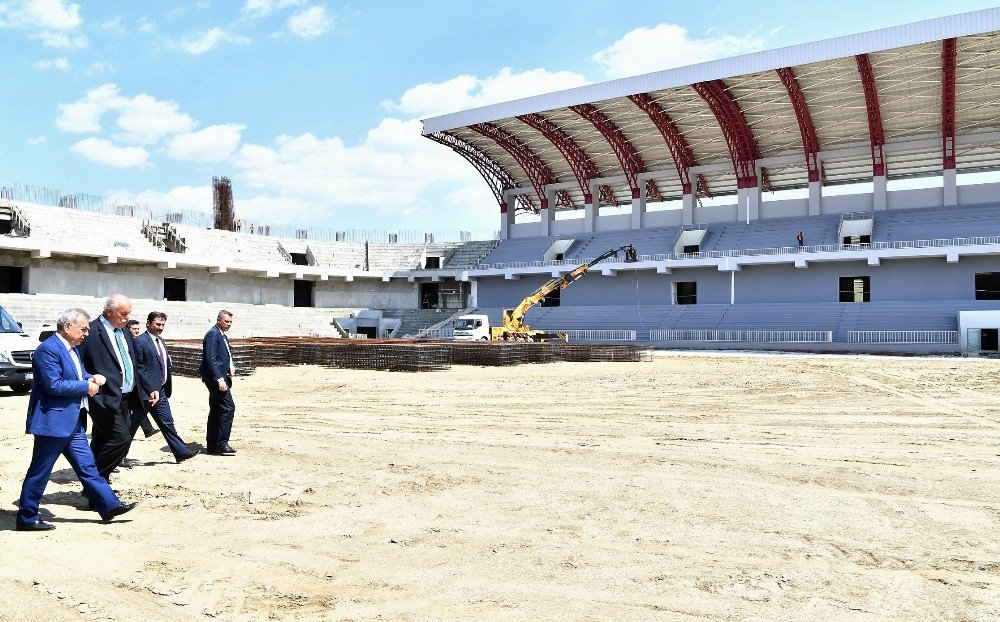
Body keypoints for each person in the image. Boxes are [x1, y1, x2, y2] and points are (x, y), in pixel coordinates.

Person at [15, 308, 138, 530]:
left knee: (88, 467)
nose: (86, 333)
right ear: (68, 327)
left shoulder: (71, 348)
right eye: (83, 329)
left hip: (72, 422)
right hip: (53, 423)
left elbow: (78, 374)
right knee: (40, 471)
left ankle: (109, 506)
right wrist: (86, 386)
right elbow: (54, 385)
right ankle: (27, 517)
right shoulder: (48, 350)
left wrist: (91, 377)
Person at [78, 294, 150, 483]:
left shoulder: (124, 331)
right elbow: (77, 362)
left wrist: (147, 387)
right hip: (102, 396)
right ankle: (95, 484)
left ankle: (96, 488)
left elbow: (133, 362)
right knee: (121, 439)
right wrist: (89, 381)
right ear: (109, 312)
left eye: (129, 314)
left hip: (125, 396)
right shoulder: (91, 331)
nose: (127, 318)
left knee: (102, 440)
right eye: (123, 314)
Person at [134, 311, 199, 463]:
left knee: (167, 422)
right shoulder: (140, 341)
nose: (160, 327)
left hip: (160, 390)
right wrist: (150, 389)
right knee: (131, 426)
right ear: (148, 323)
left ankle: (181, 452)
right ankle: (117, 456)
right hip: (146, 393)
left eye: (163, 324)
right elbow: (139, 368)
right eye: (158, 324)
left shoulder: (160, 341)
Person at [199, 310, 237, 456]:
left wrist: (230, 368)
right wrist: (219, 378)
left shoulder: (221, 335)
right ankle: (221, 442)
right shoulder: (213, 334)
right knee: (228, 408)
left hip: (221, 376)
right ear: (218, 320)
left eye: (230, 322)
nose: (229, 324)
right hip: (216, 379)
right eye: (226, 321)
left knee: (216, 409)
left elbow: (224, 356)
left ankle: (212, 444)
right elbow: (210, 358)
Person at [128, 319, 160, 440]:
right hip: (131, 382)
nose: (136, 331)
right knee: (137, 409)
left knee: (140, 408)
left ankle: (147, 429)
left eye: (137, 329)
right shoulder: (128, 341)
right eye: (133, 329)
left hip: (141, 382)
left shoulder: (139, 341)